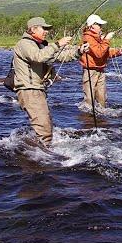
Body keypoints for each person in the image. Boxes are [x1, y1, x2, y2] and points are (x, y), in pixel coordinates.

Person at [12, 16, 89, 146]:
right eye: (44, 28)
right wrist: (58, 44)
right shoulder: (24, 44)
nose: (46, 31)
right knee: (44, 127)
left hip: (37, 90)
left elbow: (60, 56)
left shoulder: (42, 45)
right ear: (33, 29)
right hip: (29, 90)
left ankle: (38, 148)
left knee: (45, 123)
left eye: (47, 29)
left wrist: (78, 51)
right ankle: (44, 157)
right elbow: (38, 57)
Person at [79, 14, 122, 109]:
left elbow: (105, 52)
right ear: (92, 25)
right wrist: (107, 39)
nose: (101, 27)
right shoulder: (88, 38)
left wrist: (119, 52)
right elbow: (99, 53)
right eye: (99, 25)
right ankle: (88, 120)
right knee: (89, 100)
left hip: (100, 70)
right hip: (90, 71)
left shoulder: (98, 38)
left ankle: (102, 117)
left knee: (102, 98)